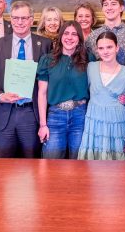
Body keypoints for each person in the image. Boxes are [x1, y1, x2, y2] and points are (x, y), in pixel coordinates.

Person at [0, 0, 52, 158]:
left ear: (32, 20)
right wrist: (0, 96)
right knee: (5, 163)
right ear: (11, 19)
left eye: (24, 18)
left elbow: (49, 78)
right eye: (15, 18)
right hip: (4, 112)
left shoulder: (45, 44)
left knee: (31, 161)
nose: (19, 22)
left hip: (31, 112)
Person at [78, 31, 125, 160]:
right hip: (94, 120)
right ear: (97, 50)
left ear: (117, 48)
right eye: (101, 48)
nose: (105, 51)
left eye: (109, 47)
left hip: (117, 122)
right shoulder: (90, 67)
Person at [37, 21, 89, 159]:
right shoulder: (47, 60)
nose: (69, 37)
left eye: (74, 34)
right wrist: (43, 125)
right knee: (51, 161)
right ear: (60, 36)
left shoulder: (88, 59)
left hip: (80, 116)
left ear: (79, 38)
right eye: (66, 33)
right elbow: (42, 93)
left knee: (79, 161)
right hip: (55, 116)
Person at [85, 0, 125, 65]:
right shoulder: (92, 36)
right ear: (102, 9)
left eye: (113, 4)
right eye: (106, 4)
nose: (109, 8)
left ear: (121, 8)